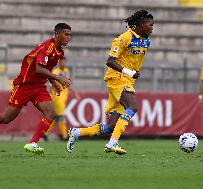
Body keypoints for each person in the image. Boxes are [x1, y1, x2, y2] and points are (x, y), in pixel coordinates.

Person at [0, 23, 72, 154]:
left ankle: (32, 143)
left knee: (51, 113)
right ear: (57, 34)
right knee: (6, 118)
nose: (68, 37)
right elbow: (39, 69)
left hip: (39, 86)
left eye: (70, 35)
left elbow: (47, 68)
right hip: (24, 85)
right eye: (66, 34)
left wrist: (53, 82)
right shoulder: (47, 47)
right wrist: (58, 78)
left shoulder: (59, 52)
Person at [66, 10, 154, 155]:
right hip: (116, 78)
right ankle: (112, 143)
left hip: (127, 80)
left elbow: (135, 60)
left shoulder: (146, 41)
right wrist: (129, 72)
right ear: (142, 24)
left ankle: (76, 132)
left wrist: (134, 73)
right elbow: (110, 61)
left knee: (110, 127)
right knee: (132, 107)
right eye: (150, 25)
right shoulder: (124, 38)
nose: (152, 28)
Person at [43, 57, 80, 141]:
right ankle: (64, 136)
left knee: (56, 117)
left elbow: (67, 84)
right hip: (57, 96)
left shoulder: (66, 71)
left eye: (64, 62)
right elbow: (51, 85)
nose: (63, 64)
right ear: (59, 63)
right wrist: (48, 95)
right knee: (62, 116)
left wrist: (74, 93)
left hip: (64, 97)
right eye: (62, 62)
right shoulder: (55, 72)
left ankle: (44, 133)